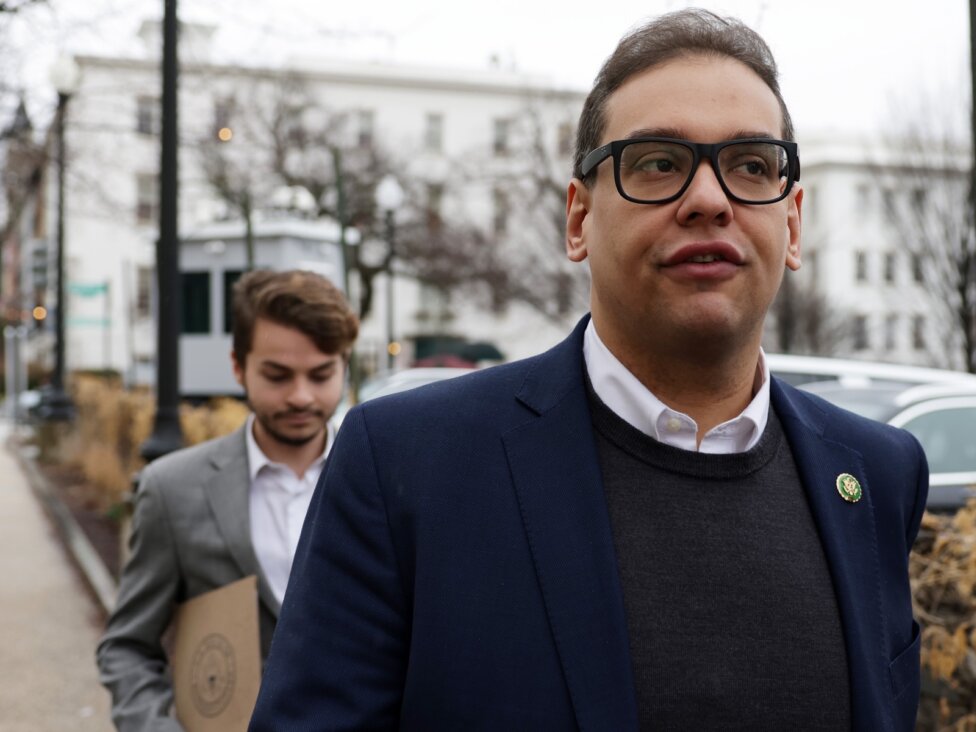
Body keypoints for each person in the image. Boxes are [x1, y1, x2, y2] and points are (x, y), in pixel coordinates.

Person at [251, 9, 928, 731]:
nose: (709, 199)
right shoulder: (404, 465)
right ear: (578, 220)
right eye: (659, 163)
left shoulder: (878, 477)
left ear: (792, 225)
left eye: (751, 166)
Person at [97, 269, 358, 732]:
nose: (301, 396)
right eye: (277, 375)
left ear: (345, 365)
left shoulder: (380, 482)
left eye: (321, 374)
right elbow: (128, 646)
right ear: (237, 366)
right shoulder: (173, 488)